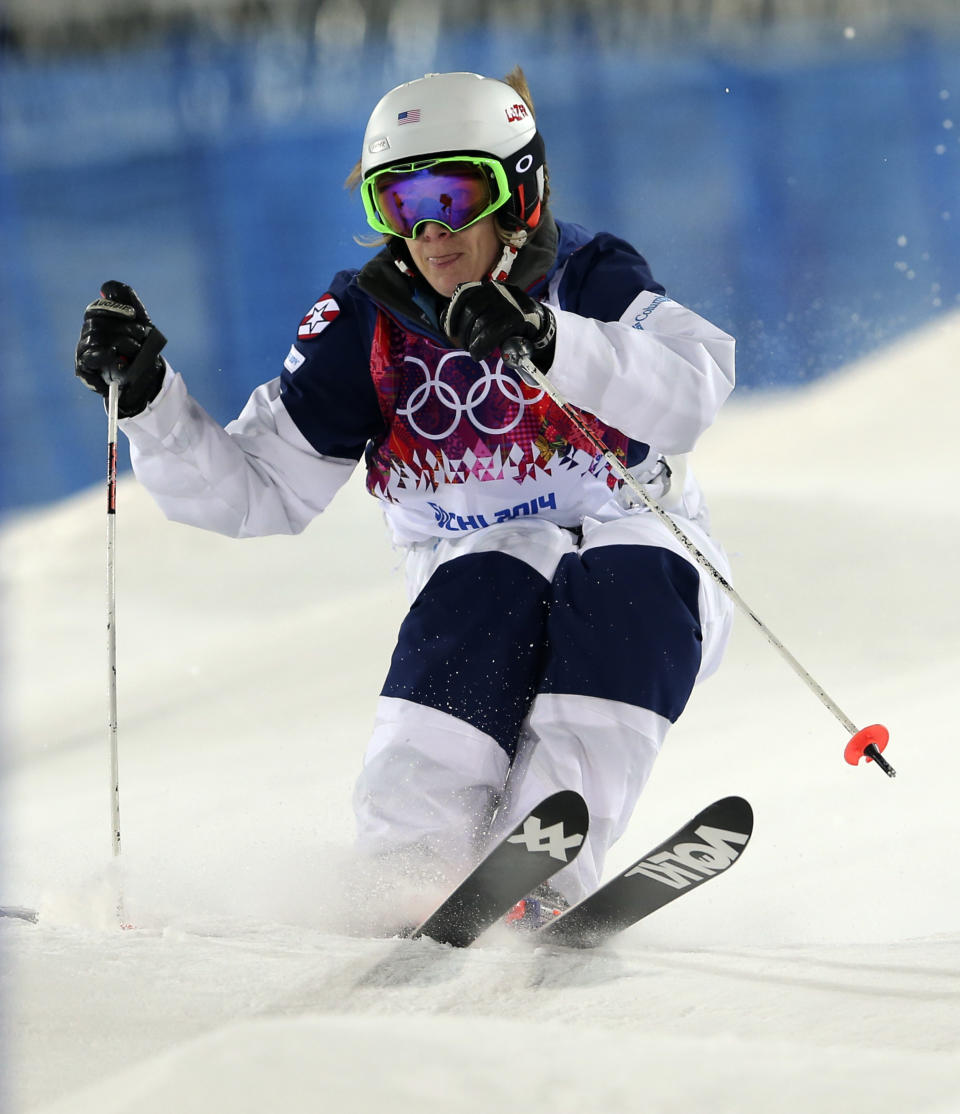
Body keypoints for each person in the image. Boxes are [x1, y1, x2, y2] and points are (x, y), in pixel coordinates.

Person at [75, 68, 736, 931]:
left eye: (455, 196)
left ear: (519, 192)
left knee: (625, 583)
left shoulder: (588, 278)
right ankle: (407, 871)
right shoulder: (367, 325)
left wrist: (552, 340)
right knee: (492, 577)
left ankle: (547, 873)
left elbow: (694, 388)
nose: (430, 232)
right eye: (399, 203)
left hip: (646, 555)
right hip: (477, 575)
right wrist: (153, 398)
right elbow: (260, 493)